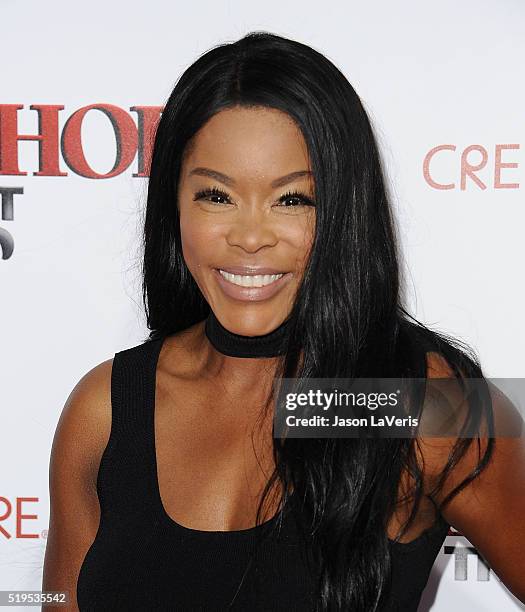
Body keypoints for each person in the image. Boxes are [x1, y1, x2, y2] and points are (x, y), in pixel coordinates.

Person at [42, 31, 525, 611]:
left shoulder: (425, 402)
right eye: (216, 197)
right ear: (174, 205)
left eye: (292, 200)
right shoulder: (105, 406)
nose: (249, 237)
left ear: (345, 209)